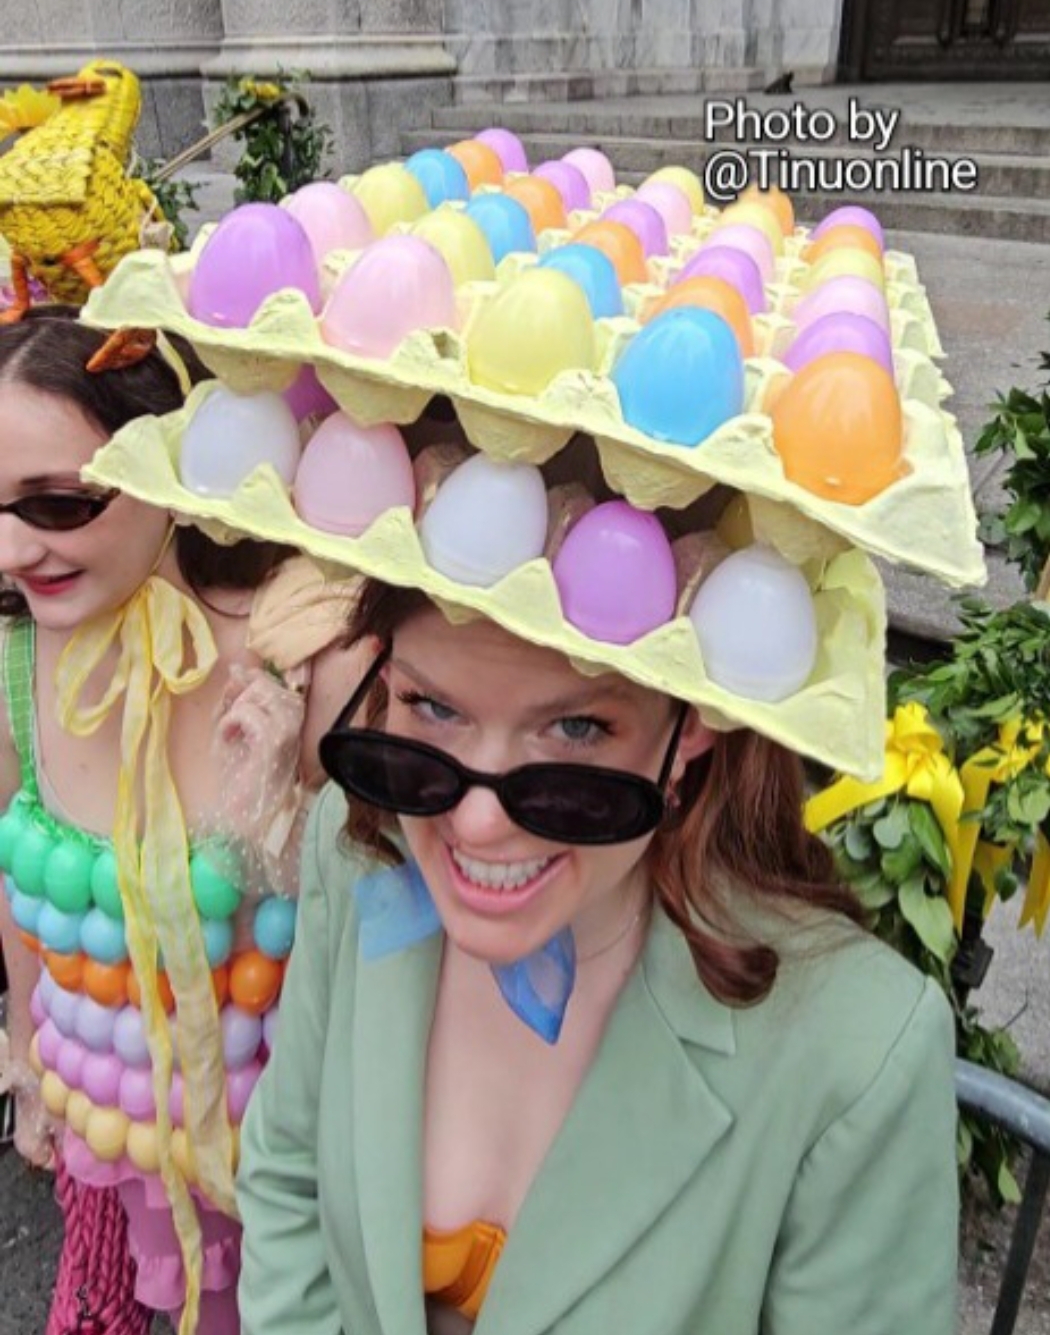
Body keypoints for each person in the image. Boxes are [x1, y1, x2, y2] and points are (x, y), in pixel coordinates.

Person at [236, 555, 959, 1332]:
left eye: (576, 728)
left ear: (692, 723)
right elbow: (288, 1176)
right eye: (432, 707)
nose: (478, 822)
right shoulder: (356, 853)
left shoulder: (855, 1054)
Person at [0, 307, 364, 1335]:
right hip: (121, 1139)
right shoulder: (14, 661)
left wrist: (290, 791)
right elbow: (14, 892)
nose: (13, 549)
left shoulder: (301, 648)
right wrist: (27, 1050)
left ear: (168, 460)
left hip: (300, 1168)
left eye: (58, 501)